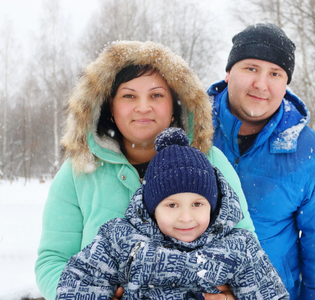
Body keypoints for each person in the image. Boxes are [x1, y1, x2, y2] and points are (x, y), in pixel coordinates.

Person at [35, 41, 255, 300]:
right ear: (110, 106)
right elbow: (52, 261)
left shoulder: (211, 162)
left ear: (175, 106)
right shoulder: (80, 169)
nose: (143, 107)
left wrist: (231, 296)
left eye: (156, 95)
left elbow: (247, 252)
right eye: (129, 96)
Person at [55, 127, 288, 300]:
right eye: (172, 205)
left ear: (213, 206)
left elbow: (269, 293)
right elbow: (78, 282)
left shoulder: (238, 247)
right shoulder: (120, 240)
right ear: (152, 208)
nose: (186, 218)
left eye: (197, 204)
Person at [207, 23, 315, 299]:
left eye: (275, 73)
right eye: (251, 68)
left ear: (285, 83)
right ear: (229, 72)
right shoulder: (188, 130)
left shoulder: (313, 153)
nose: (261, 84)